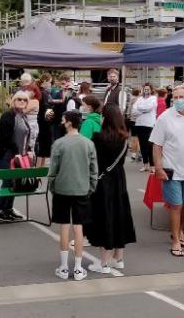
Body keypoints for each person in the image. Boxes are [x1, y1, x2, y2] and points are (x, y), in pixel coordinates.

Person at [151, 86, 184, 258]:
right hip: (171, 168)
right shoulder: (165, 117)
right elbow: (157, 145)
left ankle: (179, 230)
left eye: (182, 96)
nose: (178, 100)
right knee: (176, 205)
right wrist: (158, 167)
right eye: (175, 97)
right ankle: (176, 240)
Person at [85, 104, 135, 274]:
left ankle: (103, 263)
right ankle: (118, 258)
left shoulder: (98, 138)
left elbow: (92, 161)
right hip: (119, 180)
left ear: (105, 118)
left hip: (102, 181)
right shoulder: (124, 138)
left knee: (103, 217)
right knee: (119, 215)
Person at [49, 110, 98, 281]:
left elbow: (53, 169)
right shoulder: (88, 144)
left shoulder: (59, 143)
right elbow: (94, 170)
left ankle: (63, 267)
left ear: (69, 122)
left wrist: (52, 184)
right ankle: (77, 268)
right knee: (78, 227)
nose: (62, 122)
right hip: (82, 189)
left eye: (63, 120)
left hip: (62, 188)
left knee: (64, 226)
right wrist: (91, 186)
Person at [0, 91, 33, 221]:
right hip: (6, 154)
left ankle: (8, 208)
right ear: (14, 100)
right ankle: (1, 209)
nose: (22, 102)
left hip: (19, 155)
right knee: (8, 181)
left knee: (15, 181)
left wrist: (28, 149)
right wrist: (16, 152)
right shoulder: (8, 116)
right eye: (19, 99)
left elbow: (26, 135)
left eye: (25, 100)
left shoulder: (22, 115)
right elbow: (5, 137)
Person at [131, 84, 158, 173]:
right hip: (139, 124)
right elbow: (134, 111)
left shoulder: (153, 98)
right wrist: (142, 110)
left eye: (148, 89)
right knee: (142, 145)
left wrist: (140, 109)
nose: (146, 90)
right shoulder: (139, 99)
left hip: (149, 124)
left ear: (151, 90)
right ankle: (145, 164)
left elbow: (149, 108)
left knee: (149, 145)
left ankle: (152, 165)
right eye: (145, 89)